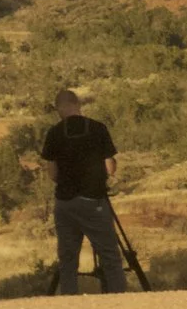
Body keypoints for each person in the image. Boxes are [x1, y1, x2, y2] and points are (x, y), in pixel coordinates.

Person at [39, 88, 126, 294]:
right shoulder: (97, 128)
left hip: (65, 203)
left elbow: (52, 173)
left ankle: (70, 301)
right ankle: (118, 300)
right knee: (110, 256)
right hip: (93, 200)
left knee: (68, 259)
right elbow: (110, 168)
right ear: (78, 105)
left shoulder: (54, 133)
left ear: (58, 108)